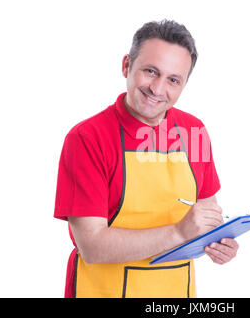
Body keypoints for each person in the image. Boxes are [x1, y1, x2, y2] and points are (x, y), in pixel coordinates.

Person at [54, 19, 239, 298]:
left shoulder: (194, 132)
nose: (157, 88)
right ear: (127, 65)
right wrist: (179, 232)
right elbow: (91, 246)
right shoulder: (88, 138)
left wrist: (218, 242)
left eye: (173, 80)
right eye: (151, 72)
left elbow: (207, 214)